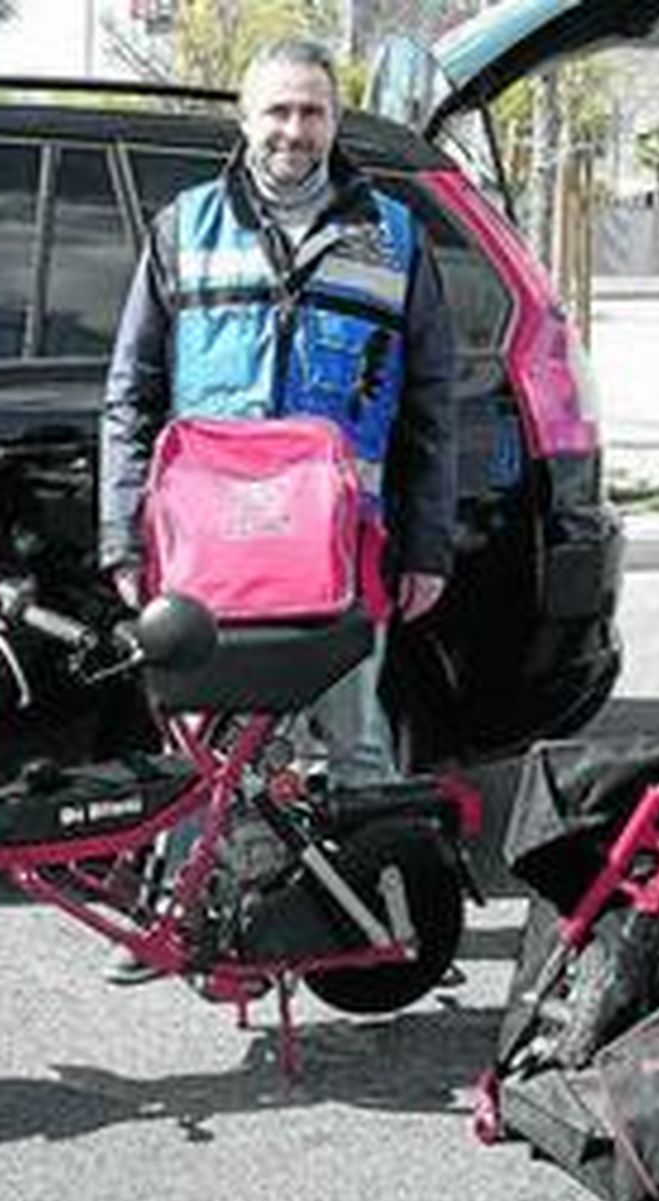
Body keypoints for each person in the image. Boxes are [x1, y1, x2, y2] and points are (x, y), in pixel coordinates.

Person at [98, 37, 456, 982]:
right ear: (245, 118)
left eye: (313, 112)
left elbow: (429, 408)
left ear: (335, 122)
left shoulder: (395, 236)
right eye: (278, 111)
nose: (294, 130)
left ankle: (388, 927)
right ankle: (177, 918)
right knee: (197, 743)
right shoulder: (183, 228)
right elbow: (130, 394)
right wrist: (122, 534)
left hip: (343, 551)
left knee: (359, 742)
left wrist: (427, 547)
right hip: (209, 552)